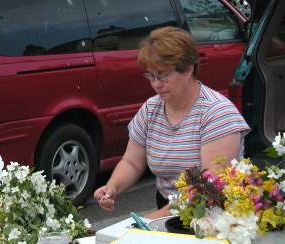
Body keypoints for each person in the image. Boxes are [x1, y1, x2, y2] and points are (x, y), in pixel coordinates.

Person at [94, 26, 249, 219]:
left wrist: (152, 220)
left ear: (188, 69)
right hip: (169, 207)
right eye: (150, 76)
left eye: (163, 75)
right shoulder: (151, 110)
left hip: (212, 213)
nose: (156, 84)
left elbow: (208, 187)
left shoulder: (217, 113)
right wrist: (112, 187)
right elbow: (132, 162)